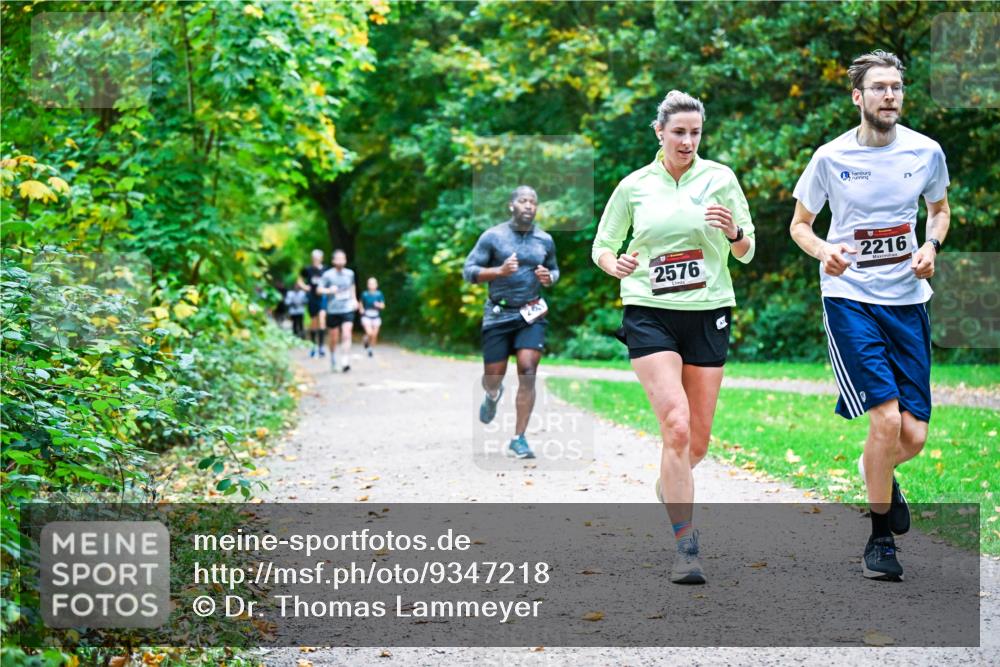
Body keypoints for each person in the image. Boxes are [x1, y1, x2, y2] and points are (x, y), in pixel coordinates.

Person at [789, 50, 950, 582]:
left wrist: (930, 246)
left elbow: (939, 210)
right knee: (885, 420)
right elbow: (800, 225)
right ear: (858, 97)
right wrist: (823, 251)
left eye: (896, 87)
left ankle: (874, 469)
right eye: (879, 87)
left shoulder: (925, 152)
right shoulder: (830, 157)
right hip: (850, 297)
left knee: (914, 436)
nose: (890, 96)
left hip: (908, 301)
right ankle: (880, 541)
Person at [592, 90, 755, 585]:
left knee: (697, 442)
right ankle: (686, 546)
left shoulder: (720, 178)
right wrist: (615, 265)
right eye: (678, 132)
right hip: (649, 310)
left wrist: (734, 233)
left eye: (695, 133)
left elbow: (747, 250)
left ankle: (671, 483)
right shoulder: (635, 186)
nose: (687, 141)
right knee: (677, 427)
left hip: (707, 311)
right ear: (659, 132)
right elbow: (603, 246)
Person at [463, 185, 559, 460]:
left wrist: (549, 278)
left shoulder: (544, 239)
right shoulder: (493, 237)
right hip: (498, 314)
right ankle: (493, 395)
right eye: (523, 201)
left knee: (528, 371)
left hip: (531, 313)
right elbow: (469, 271)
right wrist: (499, 271)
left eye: (533, 202)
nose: (529, 205)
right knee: (493, 377)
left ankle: (519, 439)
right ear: (511, 205)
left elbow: (554, 269)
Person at [320, 249, 357, 372]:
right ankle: (333, 358)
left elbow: (352, 286)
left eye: (343, 258)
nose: (341, 261)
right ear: (333, 261)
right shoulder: (327, 275)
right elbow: (319, 290)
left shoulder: (350, 273)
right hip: (333, 310)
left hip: (347, 308)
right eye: (338, 258)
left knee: (347, 334)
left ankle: (345, 361)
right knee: (334, 338)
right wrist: (329, 290)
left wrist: (354, 299)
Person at [298, 249, 327, 357]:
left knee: (322, 319)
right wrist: (305, 287)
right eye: (314, 258)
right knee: (314, 322)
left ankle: (321, 346)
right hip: (312, 298)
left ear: (321, 259)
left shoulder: (325, 269)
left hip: (322, 297)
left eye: (318, 258)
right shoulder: (307, 269)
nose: (316, 260)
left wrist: (327, 289)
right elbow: (299, 280)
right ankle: (313, 345)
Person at [359, 277, 385, 357]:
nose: (372, 285)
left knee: (374, 334)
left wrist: (378, 305)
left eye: (373, 283)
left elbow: (383, 305)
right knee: (369, 333)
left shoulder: (379, 294)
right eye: (370, 283)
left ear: (376, 285)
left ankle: (370, 349)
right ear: (367, 285)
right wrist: (361, 309)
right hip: (367, 316)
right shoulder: (364, 294)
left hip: (376, 316)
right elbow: (361, 303)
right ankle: (366, 339)